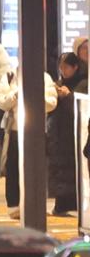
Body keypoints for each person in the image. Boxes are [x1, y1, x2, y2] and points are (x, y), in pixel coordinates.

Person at [0, 60, 58, 211]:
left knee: (36, 167)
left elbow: (52, 102)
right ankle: (14, 204)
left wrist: (35, 98)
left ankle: (35, 203)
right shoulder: (10, 77)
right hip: (14, 129)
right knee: (13, 167)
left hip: (36, 130)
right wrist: (15, 96)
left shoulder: (45, 78)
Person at [52, 53, 86, 216]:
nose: (63, 70)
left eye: (66, 67)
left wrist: (68, 96)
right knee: (60, 169)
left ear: (75, 67)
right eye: (61, 67)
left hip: (76, 135)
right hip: (59, 135)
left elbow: (81, 107)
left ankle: (72, 204)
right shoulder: (58, 84)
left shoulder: (83, 83)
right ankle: (62, 205)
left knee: (72, 169)